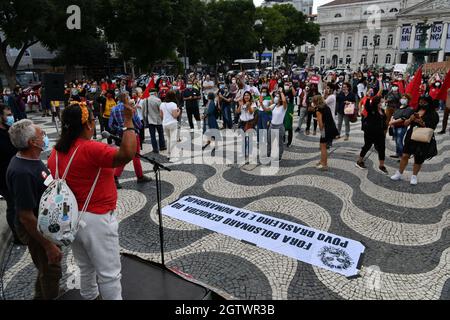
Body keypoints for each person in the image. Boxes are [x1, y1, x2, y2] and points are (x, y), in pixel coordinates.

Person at [47, 103, 136, 300]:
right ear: (88, 125)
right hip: (96, 219)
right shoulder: (91, 148)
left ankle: (89, 297)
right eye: (93, 120)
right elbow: (127, 154)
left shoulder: (55, 152)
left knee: (85, 267)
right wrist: (128, 122)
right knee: (109, 274)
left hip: (71, 218)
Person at [6, 119, 62, 299]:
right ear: (32, 142)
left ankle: (40, 295)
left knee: (47, 267)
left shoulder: (32, 159)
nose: (44, 137)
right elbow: (26, 217)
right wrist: (49, 245)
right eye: (41, 135)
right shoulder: (21, 172)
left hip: (46, 223)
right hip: (37, 229)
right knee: (51, 270)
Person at [391, 96, 439, 185]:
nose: (422, 104)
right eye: (420, 102)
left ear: (429, 103)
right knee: (405, 155)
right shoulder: (414, 111)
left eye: (424, 102)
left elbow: (432, 128)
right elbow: (405, 124)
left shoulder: (433, 114)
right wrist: (411, 119)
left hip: (423, 137)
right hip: (411, 136)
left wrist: (421, 122)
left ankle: (414, 176)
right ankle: (399, 173)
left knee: (418, 158)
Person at [109, 93, 152, 188]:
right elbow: (139, 125)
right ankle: (138, 176)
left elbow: (111, 125)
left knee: (124, 155)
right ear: (126, 99)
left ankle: (116, 177)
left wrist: (121, 129)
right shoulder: (130, 108)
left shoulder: (114, 109)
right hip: (133, 135)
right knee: (135, 156)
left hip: (122, 136)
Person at [0, 104, 22, 244]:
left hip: (16, 173)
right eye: (8, 115)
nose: (10, 117)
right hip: (3, 177)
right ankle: (17, 236)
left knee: (19, 204)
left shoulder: (10, 130)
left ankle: (23, 230)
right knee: (12, 205)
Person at [355, 96, 388, 174]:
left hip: (380, 132)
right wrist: (369, 97)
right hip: (370, 132)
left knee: (382, 148)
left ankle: (381, 166)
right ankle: (359, 161)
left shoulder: (382, 111)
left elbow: (384, 120)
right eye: (380, 102)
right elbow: (366, 105)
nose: (382, 103)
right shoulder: (371, 109)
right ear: (376, 102)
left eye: (382, 102)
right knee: (367, 146)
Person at [389, 93, 414, 159]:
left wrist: (392, 122)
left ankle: (403, 156)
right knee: (396, 140)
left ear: (408, 100)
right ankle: (398, 153)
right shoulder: (399, 107)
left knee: (399, 141)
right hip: (395, 126)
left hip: (401, 127)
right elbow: (393, 115)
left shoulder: (409, 109)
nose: (403, 99)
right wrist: (391, 121)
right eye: (402, 98)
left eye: (405, 98)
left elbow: (403, 118)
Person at [143, 89, 167, 153]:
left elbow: (144, 112)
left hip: (150, 120)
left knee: (152, 135)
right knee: (161, 133)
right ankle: (162, 146)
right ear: (155, 93)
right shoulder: (158, 100)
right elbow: (161, 110)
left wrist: (145, 119)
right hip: (158, 119)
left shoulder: (145, 100)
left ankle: (155, 149)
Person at [160, 90, 181, 161]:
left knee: (168, 139)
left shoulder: (162, 104)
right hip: (172, 123)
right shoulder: (173, 104)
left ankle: (168, 154)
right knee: (173, 139)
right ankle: (172, 155)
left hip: (165, 123)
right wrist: (179, 111)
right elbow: (175, 116)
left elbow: (161, 115)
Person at [268, 88, 287, 161]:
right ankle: (268, 153)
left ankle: (279, 156)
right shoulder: (274, 106)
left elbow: (284, 100)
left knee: (280, 143)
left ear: (281, 98)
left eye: (277, 96)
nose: (276, 97)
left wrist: (281, 92)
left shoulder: (284, 107)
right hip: (272, 126)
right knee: (269, 141)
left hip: (279, 127)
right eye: (275, 96)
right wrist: (260, 103)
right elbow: (266, 109)